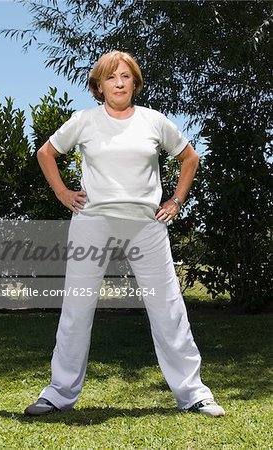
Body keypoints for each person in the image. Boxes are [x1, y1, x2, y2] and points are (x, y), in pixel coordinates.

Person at [25, 51, 225, 417]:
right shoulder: (84, 121)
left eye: (126, 76)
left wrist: (176, 201)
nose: (119, 83)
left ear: (135, 83)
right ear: (99, 86)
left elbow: (190, 158)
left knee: (167, 307)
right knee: (77, 306)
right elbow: (46, 152)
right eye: (111, 77)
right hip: (93, 222)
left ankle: (193, 393)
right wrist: (62, 192)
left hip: (145, 225)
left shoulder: (154, 121)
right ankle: (58, 392)